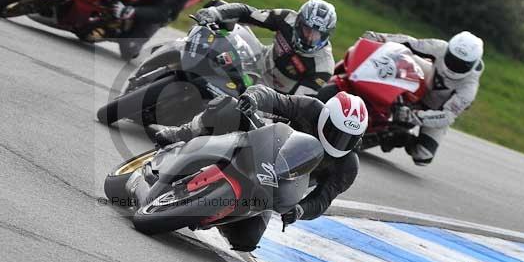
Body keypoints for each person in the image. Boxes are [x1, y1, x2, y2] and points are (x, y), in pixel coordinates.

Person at [152, 85, 367, 244]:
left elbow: (322, 199)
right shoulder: (311, 108)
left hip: (277, 186)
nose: (339, 141)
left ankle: (211, 213)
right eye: (335, 132)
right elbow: (274, 97)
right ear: (325, 117)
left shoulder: (348, 165)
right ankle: (182, 133)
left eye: (348, 138)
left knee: (246, 241)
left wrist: (300, 210)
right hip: (265, 145)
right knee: (229, 107)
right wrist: (253, 98)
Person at [362, 30, 484, 165]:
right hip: (425, 79)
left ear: (472, 64)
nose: (454, 66)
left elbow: (447, 116)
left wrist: (413, 116)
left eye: (461, 65)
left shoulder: (469, 86)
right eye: (452, 58)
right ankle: (369, 89)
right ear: (448, 50)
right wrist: (379, 37)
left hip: (436, 108)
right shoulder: (440, 47)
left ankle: (400, 136)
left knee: (423, 156)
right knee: (401, 56)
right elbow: (410, 42)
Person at [192, 0, 337, 94]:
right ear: (298, 23)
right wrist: (214, 13)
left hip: (273, 96)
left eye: (317, 34)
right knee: (219, 6)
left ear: (326, 34)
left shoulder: (324, 67)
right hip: (258, 59)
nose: (310, 37)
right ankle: (189, 54)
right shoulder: (287, 18)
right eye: (307, 30)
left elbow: (297, 103)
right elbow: (247, 12)